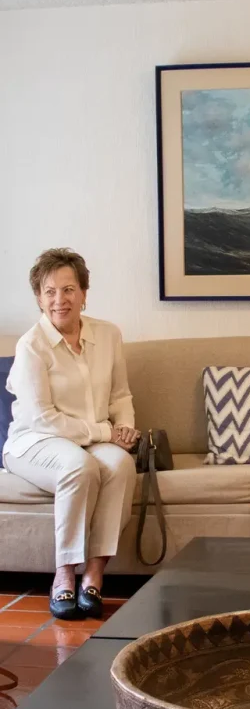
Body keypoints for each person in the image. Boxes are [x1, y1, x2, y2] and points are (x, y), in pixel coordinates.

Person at [2, 249, 139, 619]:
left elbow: (120, 394)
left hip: (94, 439)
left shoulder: (108, 335)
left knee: (121, 466)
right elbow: (43, 419)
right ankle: (63, 576)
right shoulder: (31, 346)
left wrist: (123, 427)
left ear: (83, 293)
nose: (59, 300)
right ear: (38, 298)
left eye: (68, 289)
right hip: (34, 441)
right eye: (49, 292)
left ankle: (93, 576)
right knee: (80, 466)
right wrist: (104, 431)